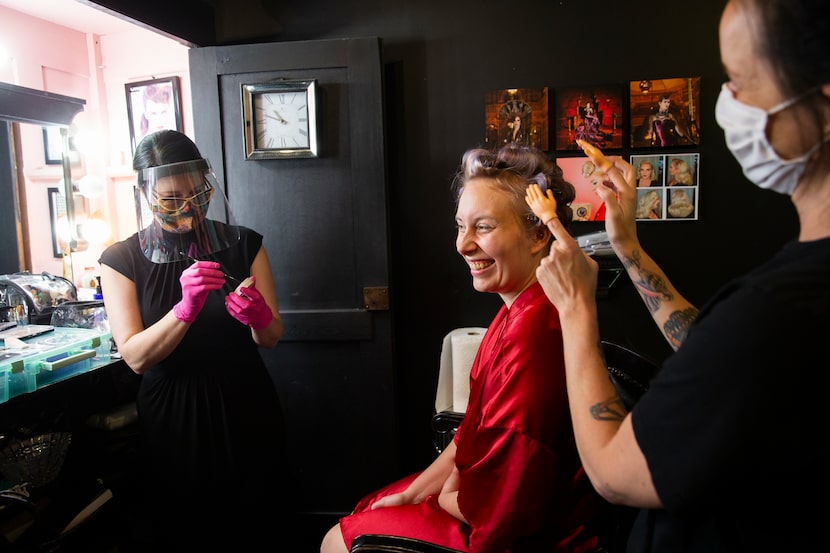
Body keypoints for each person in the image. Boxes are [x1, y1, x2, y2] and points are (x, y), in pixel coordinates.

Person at [527, 0, 830, 549]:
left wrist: (576, 309)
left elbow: (614, 474)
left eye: (738, 81)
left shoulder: (780, 312)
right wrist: (629, 248)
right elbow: (717, 354)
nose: (727, 105)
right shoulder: (784, 309)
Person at [320, 143, 606, 553]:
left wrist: (444, 496)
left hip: (527, 537)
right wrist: (415, 493)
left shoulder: (536, 334)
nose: (463, 245)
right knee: (371, 507)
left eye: (483, 227)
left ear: (539, 234)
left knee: (340, 540)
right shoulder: (516, 310)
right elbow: (470, 433)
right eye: (460, 226)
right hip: (479, 502)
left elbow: (505, 509)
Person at [98, 130, 286, 550]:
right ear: (145, 193)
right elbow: (135, 358)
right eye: (170, 198)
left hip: (245, 402)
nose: (186, 207)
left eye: (196, 193)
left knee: (257, 522)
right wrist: (184, 309)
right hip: (173, 415)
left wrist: (259, 317)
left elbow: (272, 336)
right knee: (186, 528)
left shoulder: (243, 243)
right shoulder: (121, 260)